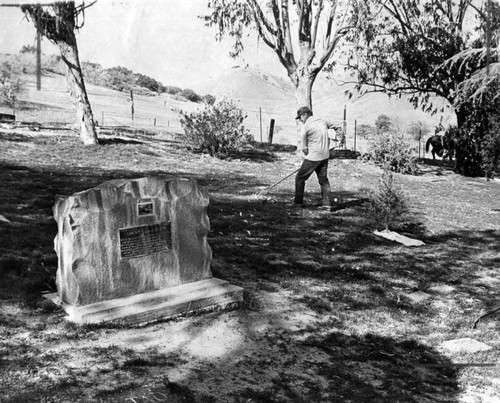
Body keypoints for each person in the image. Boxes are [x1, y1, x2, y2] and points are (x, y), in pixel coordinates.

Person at [293, 106, 342, 209]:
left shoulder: (305, 127)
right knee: (324, 181)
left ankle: (298, 203)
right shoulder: (323, 121)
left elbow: (304, 148)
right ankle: (327, 205)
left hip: (313, 157)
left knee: (300, 178)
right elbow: (338, 126)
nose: (301, 120)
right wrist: (341, 139)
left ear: (305, 115)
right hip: (325, 156)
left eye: (300, 118)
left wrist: (307, 158)